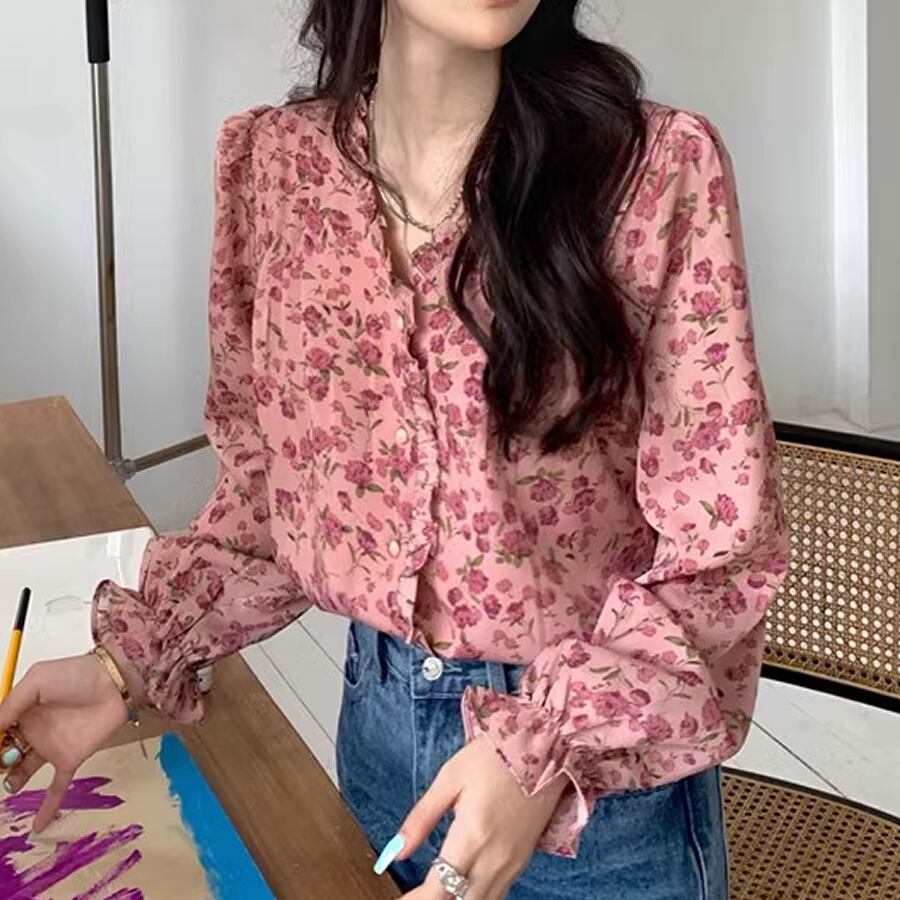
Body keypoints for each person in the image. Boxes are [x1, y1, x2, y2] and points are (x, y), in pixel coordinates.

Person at [0, 1, 790, 897]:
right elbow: (274, 493)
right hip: (378, 741)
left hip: (593, 799)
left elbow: (723, 547)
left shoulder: (650, 170)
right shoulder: (277, 169)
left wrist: (546, 742)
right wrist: (129, 660)